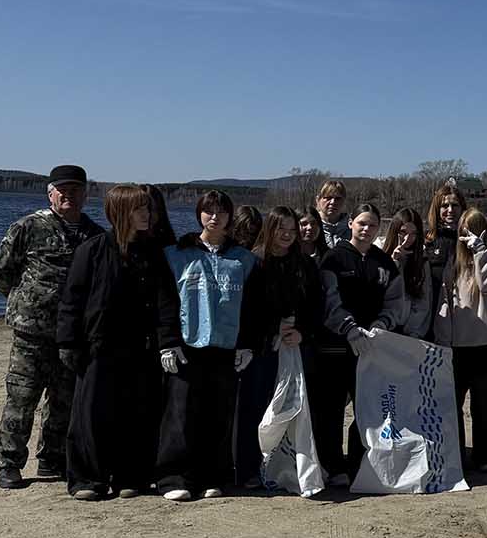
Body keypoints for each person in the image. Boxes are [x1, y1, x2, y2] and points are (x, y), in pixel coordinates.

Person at [0, 164, 105, 490]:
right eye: (62, 190)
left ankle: (52, 458)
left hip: (73, 335)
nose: (69, 196)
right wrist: (27, 302)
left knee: (63, 401)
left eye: (75, 190)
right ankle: (9, 462)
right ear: (50, 194)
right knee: (21, 398)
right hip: (31, 333)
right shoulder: (28, 227)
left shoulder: (95, 235)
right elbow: (1, 271)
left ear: (85, 194)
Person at [156, 190, 265, 502]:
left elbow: (253, 308)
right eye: (208, 211)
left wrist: (247, 345)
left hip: (226, 347)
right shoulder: (177, 254)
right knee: (180, 413)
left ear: (230, 216)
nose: (214, 217)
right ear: (199, 214)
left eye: (221, 212)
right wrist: (168, 342)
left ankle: (213, 476)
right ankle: (174, 477)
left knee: (219, 414)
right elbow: (165, 302)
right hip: (187, 346)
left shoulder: (244, 260)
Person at [55, 184, 160, 500]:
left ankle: (130, 475)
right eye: (140, 209)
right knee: (91, 412)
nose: (147, 214)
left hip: (139, 347)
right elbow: (72, 300)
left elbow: (163, 300)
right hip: (98, 345)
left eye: (147, 208)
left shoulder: (152, 252)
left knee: (135, 412)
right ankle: (87, 478)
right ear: (121, 212)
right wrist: (68, 342)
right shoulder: (93, 250)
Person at [316, 203, 406, 487]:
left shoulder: (385, 263)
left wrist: (382, 324)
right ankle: (333, 465)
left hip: (371, 348)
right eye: (362, 223)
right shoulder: (334, 258)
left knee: (368, 408)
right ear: (351, 223)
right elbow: (328, 299)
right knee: (331, 410)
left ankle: (359, 463)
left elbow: (396, 301)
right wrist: (349, 328)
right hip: (336, 346)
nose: (366, 229)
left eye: (372, 225)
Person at [237, 206, 324, 490]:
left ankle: (289, 464)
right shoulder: (254, 262)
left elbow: (316, 306)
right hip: (261, 349)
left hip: (295, 347)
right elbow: (246, 309)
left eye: (291, 230)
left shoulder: (305, 265)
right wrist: (269, 331)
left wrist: (302, 332)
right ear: (270, 229)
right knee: (256, 408)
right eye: (281, 229)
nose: (286, 235)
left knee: (294, 408)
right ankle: (248, 469)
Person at [434, 208, 487, 473]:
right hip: (457, 346)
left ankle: (485, 456)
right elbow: (445, 303)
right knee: (452, 404)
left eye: (475, 230)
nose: (469, 236)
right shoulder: (452, 264)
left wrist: (480, 252)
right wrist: (444, 341)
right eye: (465, 231)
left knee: (485, 406)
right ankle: (455, 454)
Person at [387, 207, 433, 340]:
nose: (408, 238)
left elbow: (423, 300)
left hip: (408, 330)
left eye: (414, 233)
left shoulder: (421, 259)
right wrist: (394, 262)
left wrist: (412, 332)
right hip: (382, 325)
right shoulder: (378, 251)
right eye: (403, 232)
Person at [424, 178, 468, 301]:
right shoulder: (426, 239)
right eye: (444, 206)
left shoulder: (469, 240)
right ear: (437, 209)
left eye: (455, 205)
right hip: (431, 303)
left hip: (460, 305)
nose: (450, 210)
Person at [316, 181, 351, 249]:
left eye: (338, 198)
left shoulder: (352, 227)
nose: (333, 202)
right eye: (328, 198)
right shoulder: (310, 227)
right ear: (318, 200)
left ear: (344, 201)